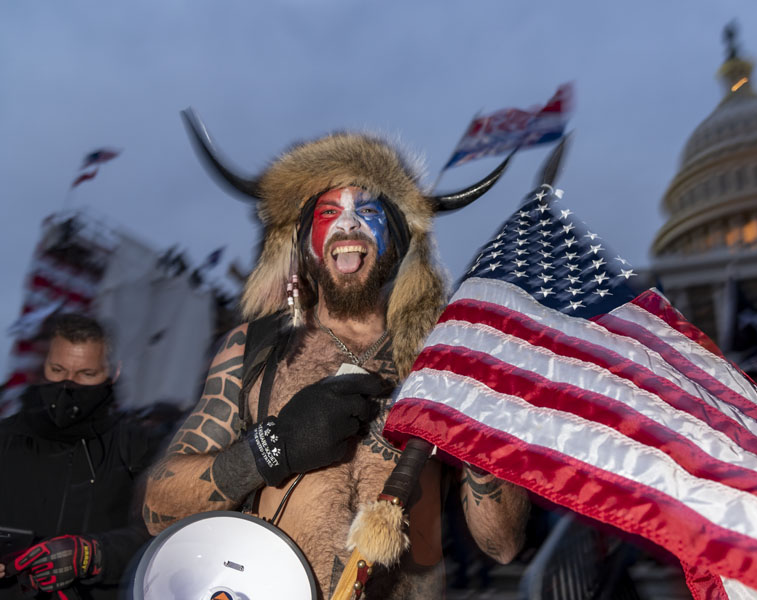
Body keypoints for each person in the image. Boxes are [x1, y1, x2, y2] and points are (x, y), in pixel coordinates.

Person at [142, 123, 530, 598]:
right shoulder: (253, 348)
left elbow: (502, 543)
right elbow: (159, 508)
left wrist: (480, 414)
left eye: (368, 211)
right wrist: (274, 447)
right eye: (329, 213)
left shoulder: (442, 360)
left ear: (401, 239)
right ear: (305, 242)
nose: (348, 225)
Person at [0, 314, 154, 599]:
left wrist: (91, 554)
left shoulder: (138, 446)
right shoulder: (5, 438)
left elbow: (160, 532)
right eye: (58, 370)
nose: (68, 384)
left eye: (86, 374)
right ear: (43, 365)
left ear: (113, 372)